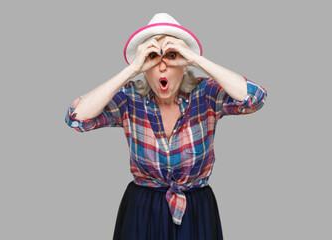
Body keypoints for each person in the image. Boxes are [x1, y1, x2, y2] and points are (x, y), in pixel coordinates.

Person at [65, 13, 267, 240]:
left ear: (183, 64)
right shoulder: (130, 98)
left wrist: (196, 59)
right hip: (142, 212)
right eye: (152, 57)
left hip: (197, 212)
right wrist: (131, 69)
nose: (162, 67)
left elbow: (255, 98)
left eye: (172, 56)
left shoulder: (206, 94)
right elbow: (76, 118)